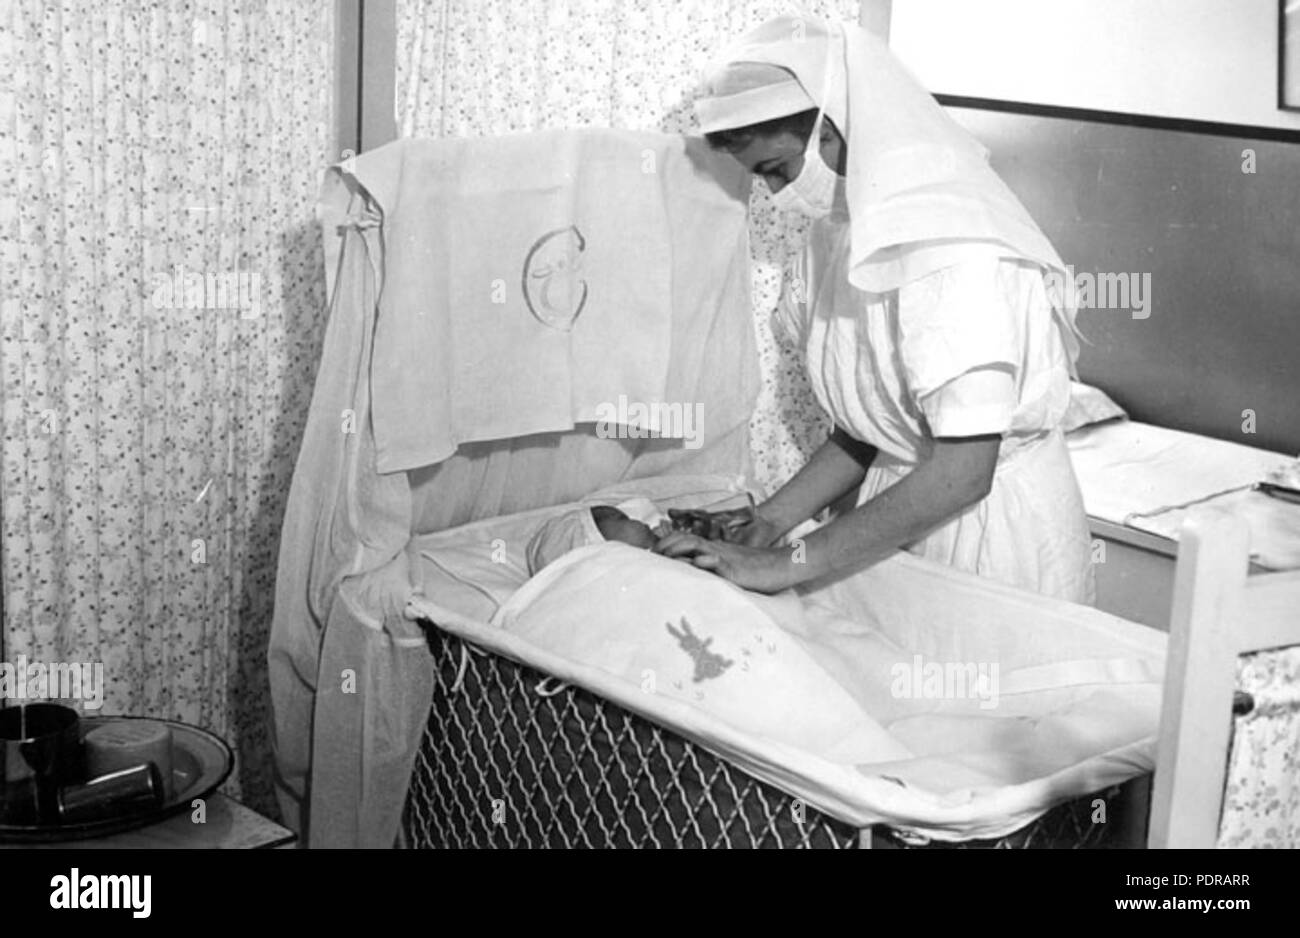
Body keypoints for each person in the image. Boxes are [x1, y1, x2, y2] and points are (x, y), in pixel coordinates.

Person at [655, 13, 1094, 604]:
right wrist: (768, 523)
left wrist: (785, 565)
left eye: (778, 170)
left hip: (991, 528)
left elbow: (963, 471)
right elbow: (872, 428)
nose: (778, 195)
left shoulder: (951, 249)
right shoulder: (838, 232)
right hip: (899, 506)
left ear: (834, 128)